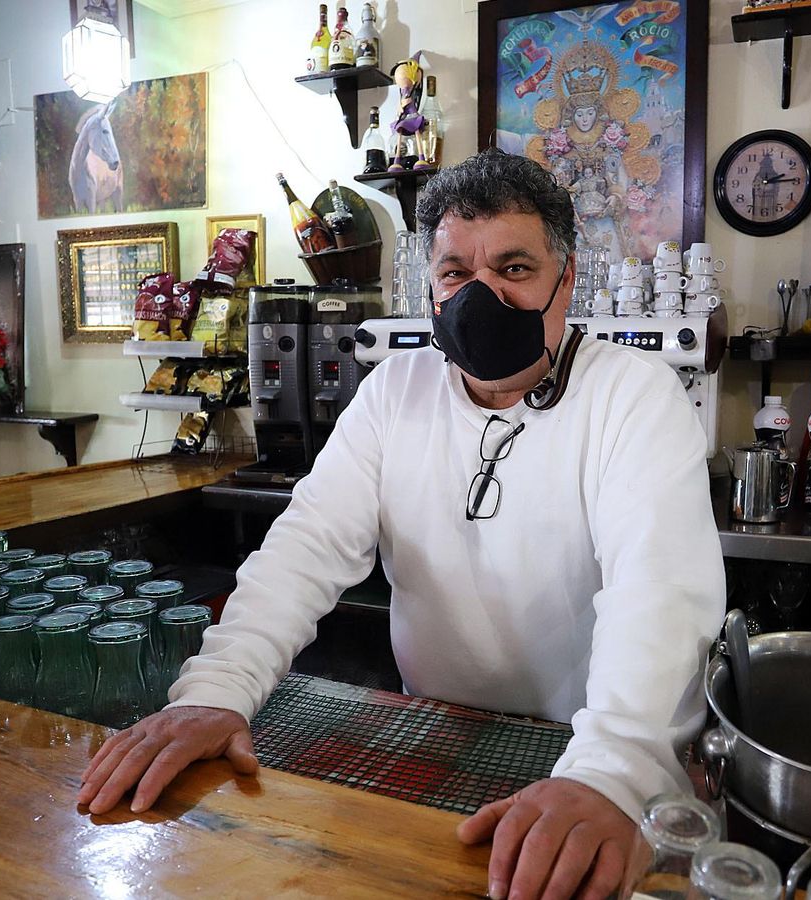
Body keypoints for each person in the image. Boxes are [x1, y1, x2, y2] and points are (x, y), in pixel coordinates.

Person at [77, 148, 725, 900]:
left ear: (566, 278)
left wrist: (616, 772)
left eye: (514, 269)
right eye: (457, 274)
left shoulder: (633, 397)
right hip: (436, 731)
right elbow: (305, 549)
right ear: (431, 286)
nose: (482, 296)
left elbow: (658, 596)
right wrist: (215, 690)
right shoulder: (395, 393)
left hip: (580, 752)